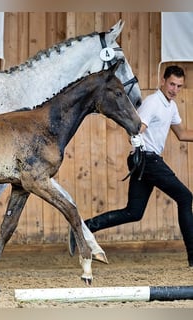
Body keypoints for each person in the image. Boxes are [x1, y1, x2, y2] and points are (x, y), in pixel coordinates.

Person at [68, 65, 193, 267]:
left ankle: (85, 227)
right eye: (172, 84)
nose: (174, 90)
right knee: (186, 197)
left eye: (179, 86)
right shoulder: (153, 103)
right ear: (162, 81)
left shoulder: (171, 106)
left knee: (133, 212)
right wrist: (135, 137)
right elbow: (136, 127)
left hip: (147, 161)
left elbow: (182, 134)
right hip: (147, 160)